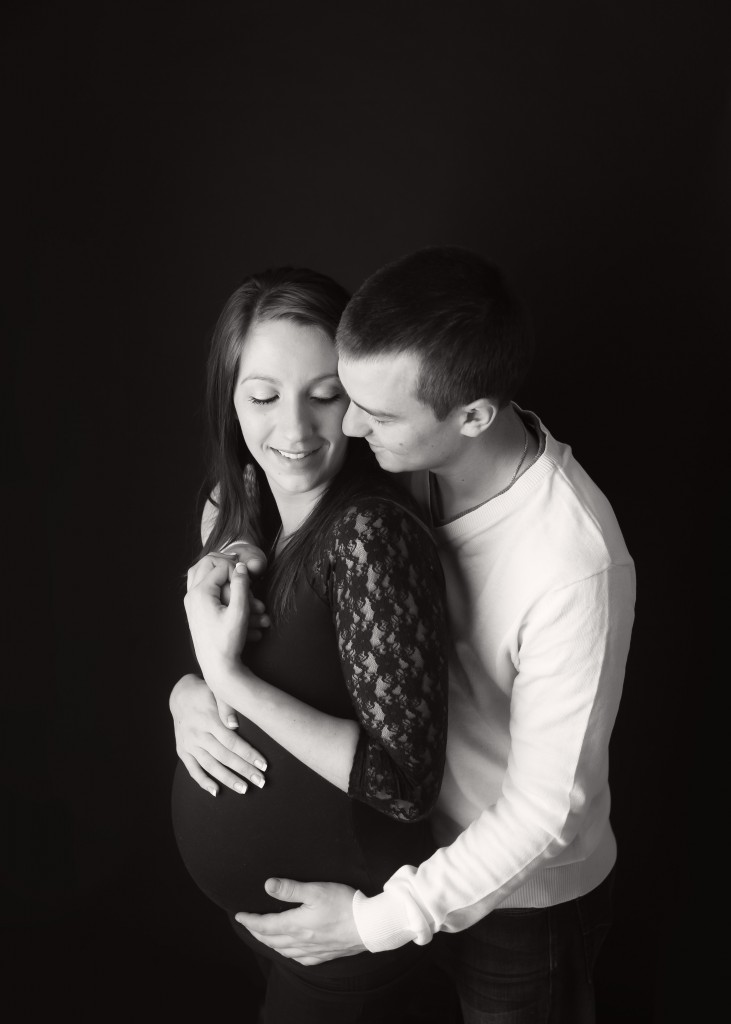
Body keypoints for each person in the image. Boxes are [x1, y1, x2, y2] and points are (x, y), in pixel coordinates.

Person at [174, 246, 636, 1024]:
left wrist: (369, 924)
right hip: (404, 858)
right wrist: (191, 687)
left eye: (366, 410)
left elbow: (544, 814)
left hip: (515, 906)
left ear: (472, 417)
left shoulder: (574, 564)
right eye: (345, 395)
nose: (344, 424)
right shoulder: (404, 455)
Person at [170, 265, 450, 1024]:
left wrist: (224, 677)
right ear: (229, 400)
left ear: (357, 400)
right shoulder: (232, 506)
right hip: (268, 933)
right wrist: (185, 694)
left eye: (325, 395)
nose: (293, 430)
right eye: (263, 396)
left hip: (348, 940)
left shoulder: (369, 537)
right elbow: (265, 672)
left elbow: (404, 783)